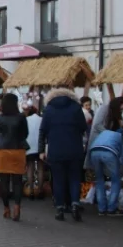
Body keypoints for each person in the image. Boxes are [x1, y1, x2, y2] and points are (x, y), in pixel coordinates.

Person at [39, 89, 88, 222]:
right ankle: (75, 204)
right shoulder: (77, 108)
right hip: (75, 149)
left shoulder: (49, 109)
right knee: (74, 178)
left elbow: (42, 131)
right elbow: (84, 128)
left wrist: (41, 150)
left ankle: (60, 208)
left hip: (56, 150)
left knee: (59, 179)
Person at [88, 98, 123, 216]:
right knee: (115, 180)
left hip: (94, 150)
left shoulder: (105, 132)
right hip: (109, 153)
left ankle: (101, 208)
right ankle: (111, 208)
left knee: (99, 179)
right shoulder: (118, 135)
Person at [0, 93, 29, 221]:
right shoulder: (21, 117)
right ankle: (17, 207)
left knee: (4, 182)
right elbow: (25, 133)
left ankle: (6, 208)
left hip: (2, 151)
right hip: (18, 150)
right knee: (17, 182)